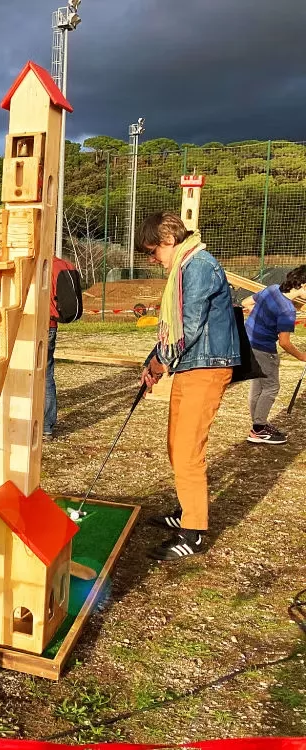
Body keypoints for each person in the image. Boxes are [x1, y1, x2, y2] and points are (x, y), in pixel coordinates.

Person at [139, 212, 240, 561]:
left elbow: (190, 324)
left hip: (207, 366)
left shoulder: (197, 265)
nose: (153, 259)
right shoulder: (185, 266)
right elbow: (175, 326)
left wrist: (160, 361)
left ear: (167, 240)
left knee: (187, 450)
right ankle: (186, 510)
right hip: (191, 364)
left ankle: (193, 532)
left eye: (153, 251)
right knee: (175, 445)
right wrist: (152, 360)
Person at [242, 264, 306, 445]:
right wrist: (302, 356)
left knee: (257, 386)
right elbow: (284, 342)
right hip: (263, 349)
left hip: (248, 343)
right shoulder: (287, 310)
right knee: (271, 388)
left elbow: (247, 302)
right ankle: (259, 429)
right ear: (303, 286)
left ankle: (258, 424)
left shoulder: (271, 289)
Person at [44, 256, 75, 439]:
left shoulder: (36, 264)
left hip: (34, 325)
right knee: (47, 375)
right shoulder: (60, 265)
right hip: (51, 326)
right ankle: (46, 426)